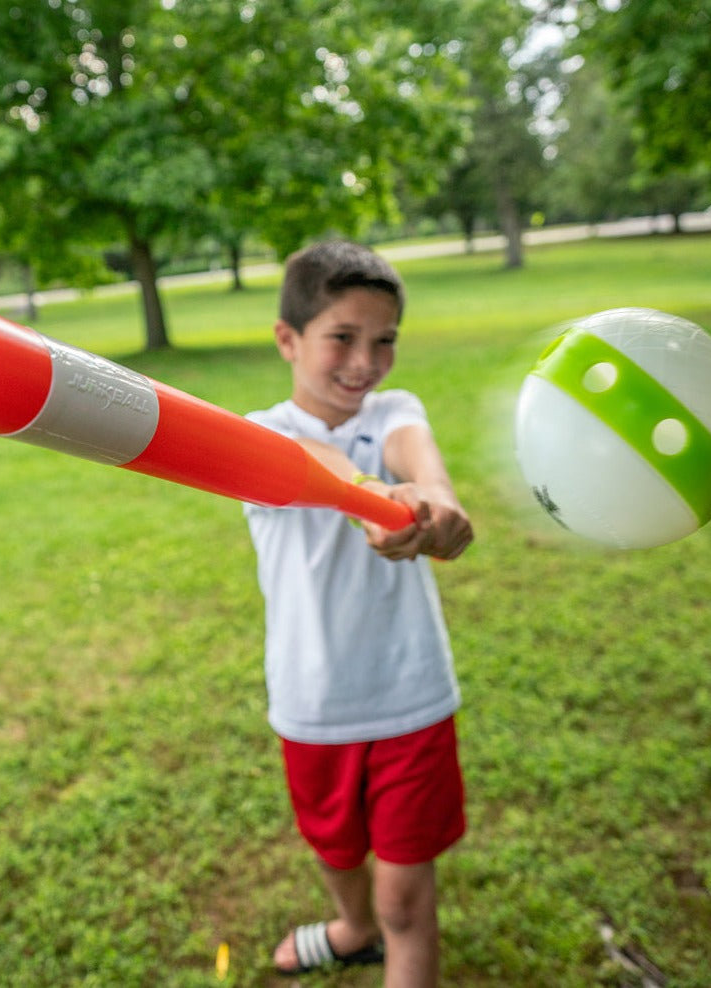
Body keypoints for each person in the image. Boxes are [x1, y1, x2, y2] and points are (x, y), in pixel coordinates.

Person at [244, 240, 473, 987]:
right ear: (288, 339)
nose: (365, 363)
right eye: (342, 337)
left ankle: (384, 928)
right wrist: (374, 500)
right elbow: (326, 472)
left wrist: (435, 503)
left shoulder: (394, 410)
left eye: (384, 343)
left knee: (409, 900)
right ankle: (352, 928)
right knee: (336, 850)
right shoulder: (261, 434)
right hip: (313, 703)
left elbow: (419, 457)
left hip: (410, 697)